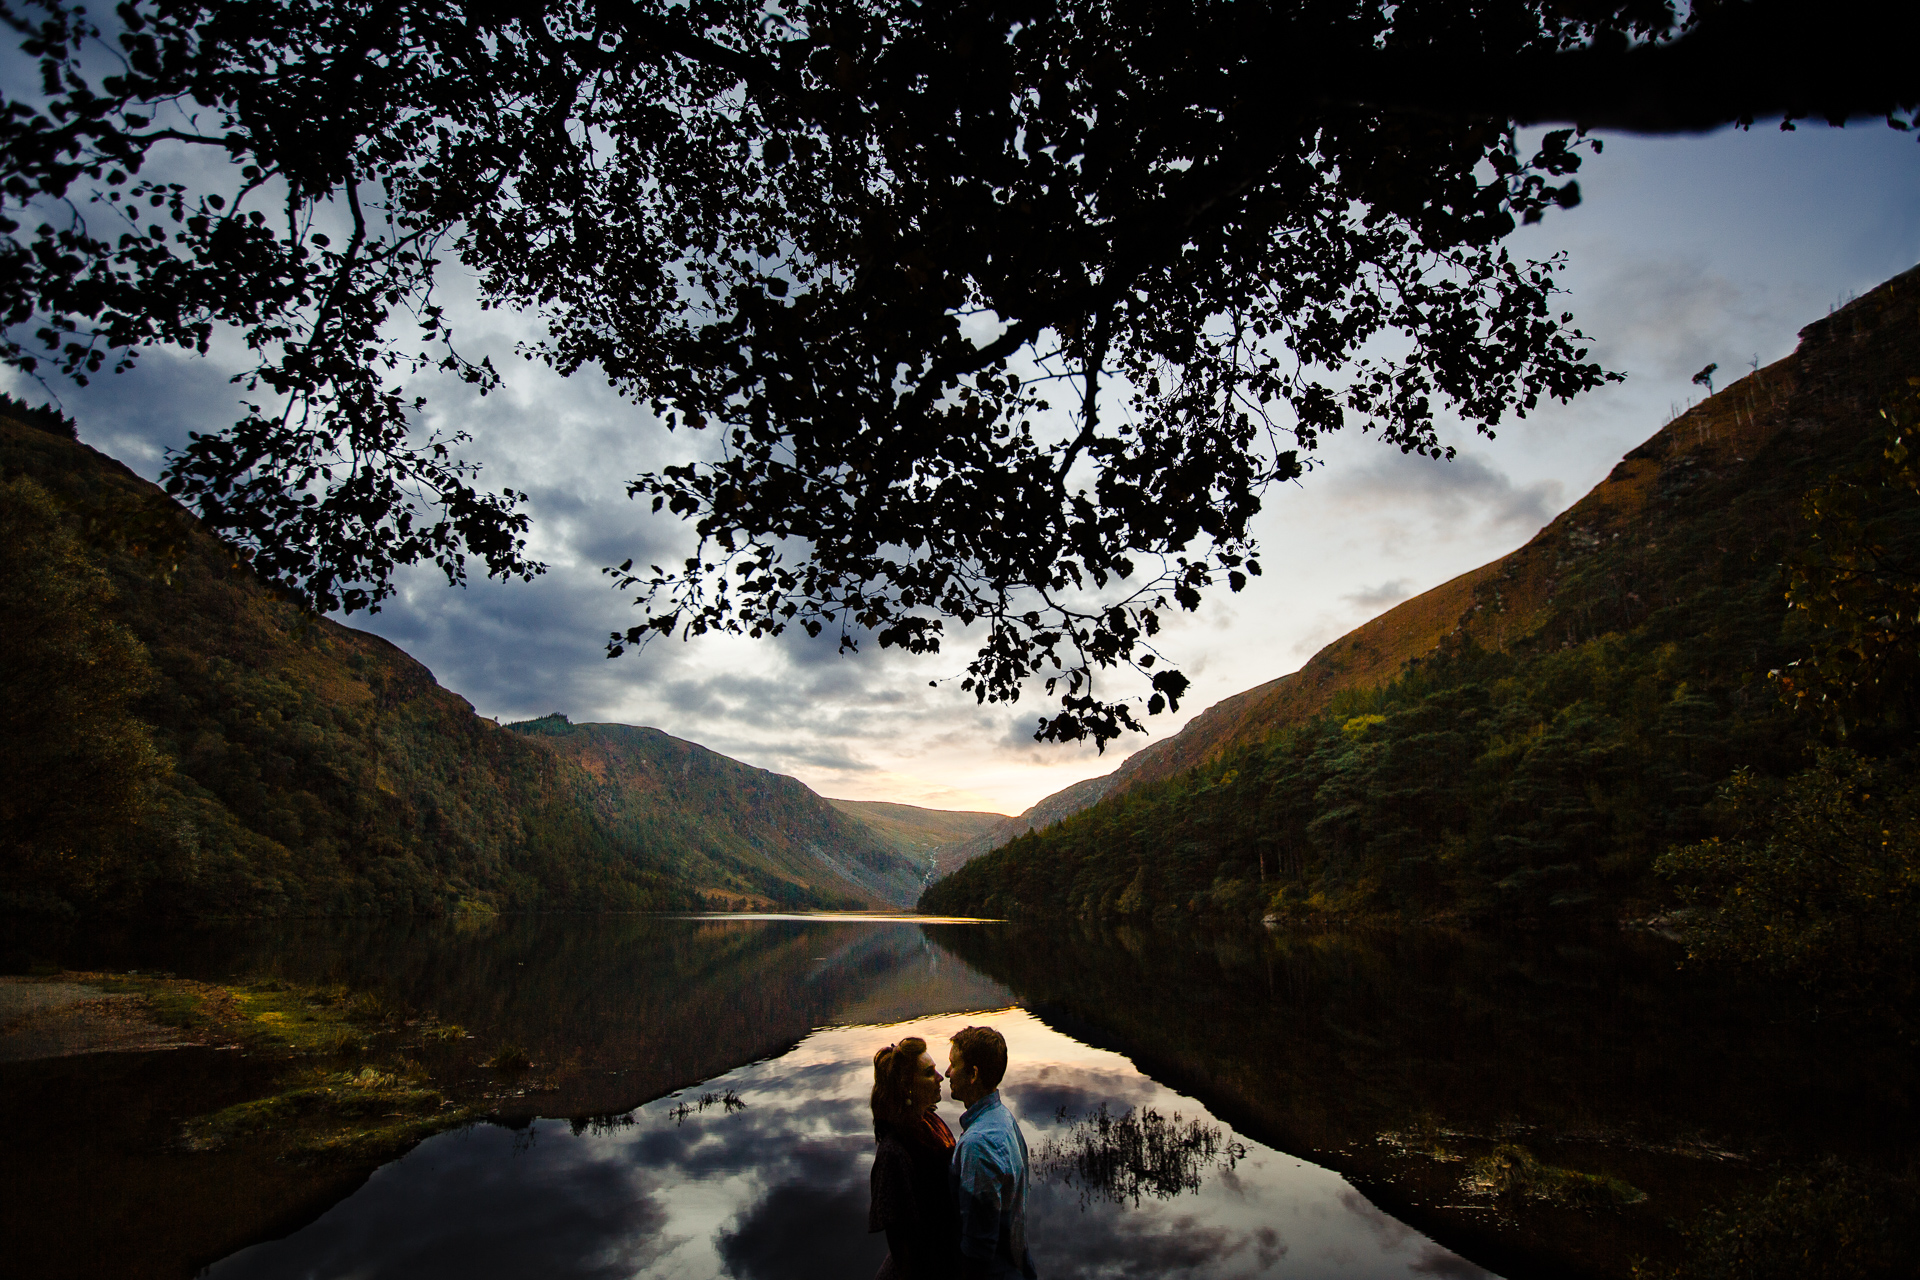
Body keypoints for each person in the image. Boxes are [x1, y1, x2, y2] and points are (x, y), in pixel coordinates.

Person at [946, 1026, 1038, 1280]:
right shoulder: (1003, 1118)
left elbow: (978, 1250)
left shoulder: (978, 1144)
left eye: (953, 1065)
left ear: (973, 1074)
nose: (947, 1073)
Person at [869, 1036, 962, 1279]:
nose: (941, 1077)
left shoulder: (929, 1123)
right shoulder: (894, 1152)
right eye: (929, 1073)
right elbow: (903, 1249)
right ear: (907, 1086)